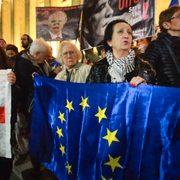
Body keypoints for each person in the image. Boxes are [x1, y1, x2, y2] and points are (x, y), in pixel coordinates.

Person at [86, 19, 155, 86]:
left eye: (129, 33)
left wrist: (146, 88)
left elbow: (157, 94)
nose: (126, 36)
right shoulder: (98, 68)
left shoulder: (144, 67)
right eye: (120, 32)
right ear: (109, 41)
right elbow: (90, 94)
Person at [144, 5, 180, 87]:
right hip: (169, 96)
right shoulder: (156, 45)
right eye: (179, 16)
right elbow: (146, 73)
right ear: (166, 25)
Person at [0, 46, 16, 180]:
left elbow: (18, 99)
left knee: (3, 161)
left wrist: (13, 85)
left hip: (3, 124)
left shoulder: (7, 75)